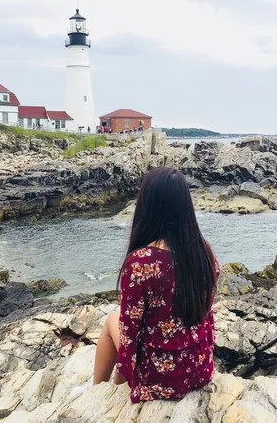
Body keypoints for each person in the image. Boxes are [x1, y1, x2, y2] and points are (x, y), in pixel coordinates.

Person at [93, 167, 219, 403]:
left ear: (147, 205)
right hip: (200, 368)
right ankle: (105, 386)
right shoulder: (204, 250)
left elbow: (129, 331)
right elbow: (206, 312)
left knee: (113, 318)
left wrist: (125, 375)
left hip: (161, 378)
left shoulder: (141, 263)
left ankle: (97, 390)